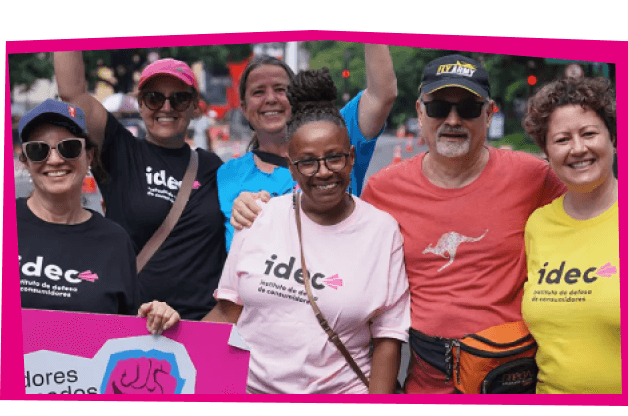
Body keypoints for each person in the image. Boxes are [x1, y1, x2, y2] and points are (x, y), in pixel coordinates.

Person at [359, 54, 567, 394]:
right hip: (426, 381)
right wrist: (270, 209)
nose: (453, 120)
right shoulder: (383, 189)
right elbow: (342, 249)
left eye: (469, 108)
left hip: (512, 380)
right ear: (420, 111)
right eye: (439, 107)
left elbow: (593, 211)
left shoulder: (532, 177)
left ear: (489, 113)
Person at [203, 69, 410, 394]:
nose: (323, 172)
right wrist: (165, 340)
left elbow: (388, 336)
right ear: (294, 168)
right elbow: (227, 311)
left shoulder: (382, 231)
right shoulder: (258, 218)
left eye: (334, 158)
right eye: (308, 162)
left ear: (351, 157)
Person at [54, 53, 225, 321]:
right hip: (133, 322)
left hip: (199, 328)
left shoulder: (214, 167)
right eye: (154, 98)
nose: (166, 107)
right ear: (141, 105)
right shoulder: (120, 150)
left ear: (195, 107)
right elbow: (72, 93)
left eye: (179, 98)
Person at [17, 99, 179, 334]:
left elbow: (129, 334)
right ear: (26, 161)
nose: (54, 160)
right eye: (38, 150)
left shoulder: (114, 240)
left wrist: (158, 317)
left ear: (89, 157)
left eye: (69, 147)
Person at [221, 44, 397, 251]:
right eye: (258, 92)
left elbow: (382, 94)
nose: (270, 99)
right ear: (243, 107)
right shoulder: (226, 174)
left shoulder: (337, 131)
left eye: (280, 90)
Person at [521, 76, 620, 394]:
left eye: (589, 133)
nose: (578, 149)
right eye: (562, 139)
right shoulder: (538, 225)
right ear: (546, 152)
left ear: (613, 138)